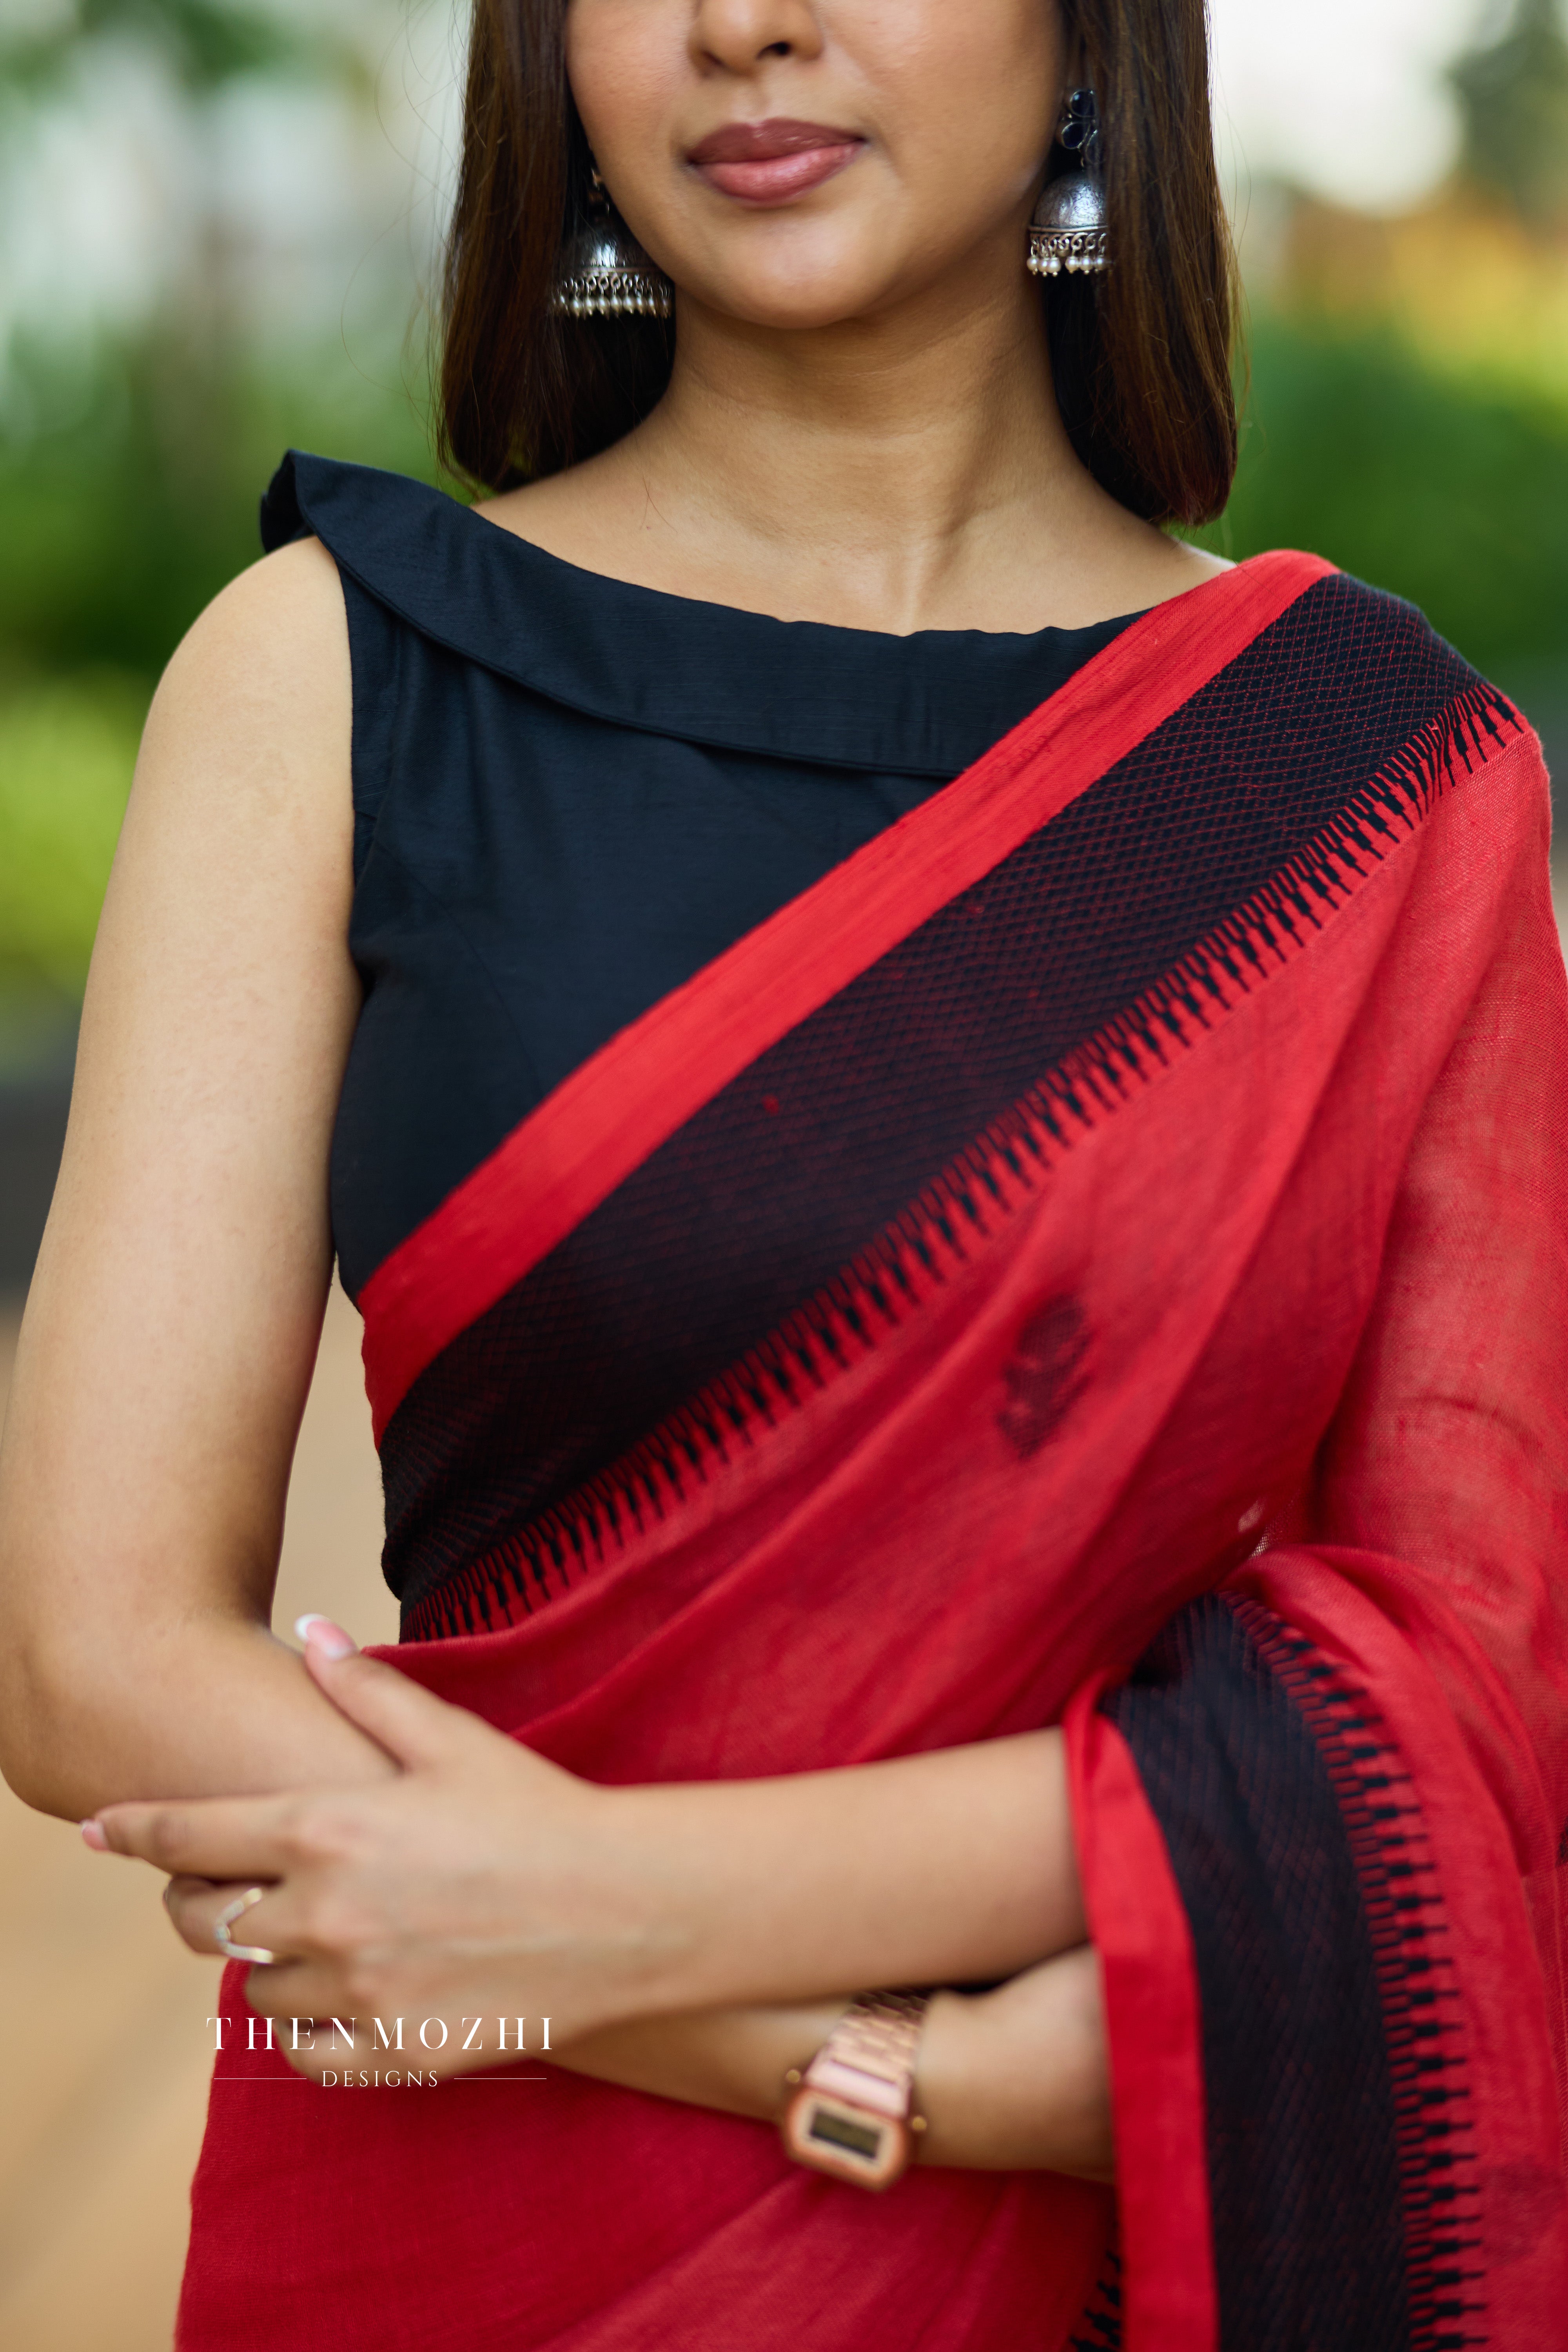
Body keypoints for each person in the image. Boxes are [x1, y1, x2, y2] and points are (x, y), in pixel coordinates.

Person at [2, 0, 1565, 2344]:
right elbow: (92, 1653)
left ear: (1089, 49)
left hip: (1086, 2258)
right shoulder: (329, 677)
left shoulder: (1361, 786)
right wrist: (887, 2071)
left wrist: (594, 1916)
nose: (746, 21)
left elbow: (1480, 1687)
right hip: (453, 2215)